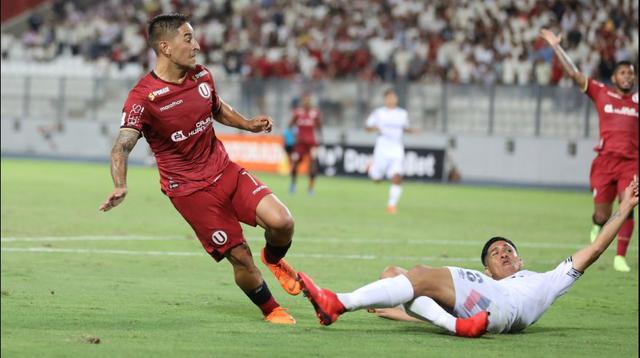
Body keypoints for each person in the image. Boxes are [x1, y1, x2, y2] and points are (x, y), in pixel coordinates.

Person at [98, 14, 301, 324]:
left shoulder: (202, 76)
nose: (197, 46)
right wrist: (120, 183)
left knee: (283, 222)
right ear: (165, 47)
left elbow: (216, 106)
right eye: (188, 39)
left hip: (224, 170)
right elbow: (122, 145)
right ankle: (271, 309)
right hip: (190, 191)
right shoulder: (143, 97)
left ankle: (273, 259)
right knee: (240, 256)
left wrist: (246, 124)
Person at [297, 177, 639, 338]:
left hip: (502, 306)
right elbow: (467, 306)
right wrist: (402, 315)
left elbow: (594, 250)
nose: (503, 253)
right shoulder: (485, 287)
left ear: (520, 262)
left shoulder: (545, 281)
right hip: (488, 311)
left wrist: (624, 208)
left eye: (509, 250)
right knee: (393, 274)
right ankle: (455, 326)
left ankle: (336, 303)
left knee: (417, 274)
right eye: (495, 252)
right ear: (485, 269)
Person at [539, 29, 638, 272]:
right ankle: (597, 224)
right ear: (613, 78)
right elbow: (573, 73)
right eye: (623, 73)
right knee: (602, 215)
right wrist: (556, 47)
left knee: (628, 205)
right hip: (604, 162)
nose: (628, 77)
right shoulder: (601, 92)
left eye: (631, 74)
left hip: (631, 163)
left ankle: (620, 257)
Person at [365, 89, 418, 214]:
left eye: (393, 97)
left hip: (396, 149)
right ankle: (370, 169)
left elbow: (404, 128)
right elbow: (367, 127)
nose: (391, 99)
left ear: (396, 99)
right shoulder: (378, 113)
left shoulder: (402, 114)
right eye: (389, 97)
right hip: (382, 149)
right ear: (385, 99)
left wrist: (412, 131)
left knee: (397, 176)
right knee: (377, 179)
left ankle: (391, 206)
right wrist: (374, 128)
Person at [288, 93, 322, 195]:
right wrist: (294, 134)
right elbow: (290, 125)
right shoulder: (298, 113)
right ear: (302, 101)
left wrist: (319, 138)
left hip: (312, 143)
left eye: (308, 100)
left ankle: (311, 188)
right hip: (300, 144)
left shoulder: (315, 113)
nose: (307, 102)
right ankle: (293, 184)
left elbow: (319, 126)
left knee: (313, 163)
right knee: (295, 163)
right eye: (305, 100)